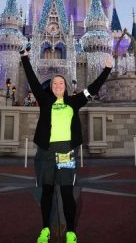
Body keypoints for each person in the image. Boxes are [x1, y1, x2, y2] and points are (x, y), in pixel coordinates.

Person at [20, 47, 113, 243]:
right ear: (51, 87)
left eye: (61, 82)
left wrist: (106, 69)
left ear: (65, 86)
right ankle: (45, 229)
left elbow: (93, 89)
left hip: (66, 152)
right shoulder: (44, 100)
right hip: (46, 152)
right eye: (55, 83)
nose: (58, 85)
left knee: (66, 192)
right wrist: (25, 57)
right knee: (46, 191)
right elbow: (33, 81)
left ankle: (71, 231)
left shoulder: (74, 101)